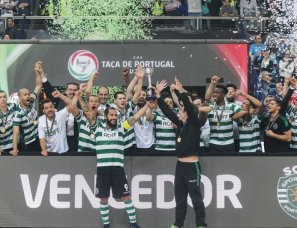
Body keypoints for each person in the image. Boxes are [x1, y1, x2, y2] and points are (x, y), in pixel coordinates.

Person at [85, 100, 151, 228]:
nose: (114, 117)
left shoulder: (122, 127)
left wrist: (148, 105)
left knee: (126, 197)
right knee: (104, 199)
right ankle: (106, 225)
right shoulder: (97, 127)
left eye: (116, 115)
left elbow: (135, 117)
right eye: (111, 115)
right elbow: (88, 113)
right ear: (106, 116)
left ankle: (133, 224)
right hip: (102, 169)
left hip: (118, 169)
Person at [155, 79, 207, 228]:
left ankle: (201, 225)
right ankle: (178, 225)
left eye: (182, 110)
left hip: (192, 166)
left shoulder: (195, 124)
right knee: (180, 200)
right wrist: (158, 95)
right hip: (180, 167)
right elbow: (166, 111)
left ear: (189, 114)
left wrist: (181, 91)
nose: (179, 111)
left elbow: (189, 108)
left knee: (196, 199)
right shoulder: (179, 124)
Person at [11, 61, 43, 156]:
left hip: (37, 139)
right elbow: (16, 133)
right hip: (27, 144)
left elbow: (38, 86)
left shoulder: (32, 100)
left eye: (28, 94)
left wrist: (37, 72)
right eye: (25, 95)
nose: (29, 96)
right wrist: (15, 149)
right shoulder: (18, 114)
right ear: (20, 98)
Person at [205, 75, 241, 152]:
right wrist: (212, 84)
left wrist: (233, 117)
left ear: (224, 95)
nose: (214, 94)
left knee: (229, 164)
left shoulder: (231, 106)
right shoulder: (211, 107)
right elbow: (207, 98)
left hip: (229, 143)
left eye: (217, 93)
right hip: (214, 143)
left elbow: (243, 112)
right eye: (214, 92)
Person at [38, 91, 72, 156]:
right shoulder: (41, 120)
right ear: (43, 111)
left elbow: (71, 104)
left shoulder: (61, 115)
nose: (49, 109)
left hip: (64, 152)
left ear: (54, 107)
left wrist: (60, 95)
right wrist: (44, 150)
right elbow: (42, 138)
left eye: (51, 107)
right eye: (46, 108)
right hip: (50, 153)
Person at [0, 90, 19, 155]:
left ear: (7, 98)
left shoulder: (13, 106)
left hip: (16, 144)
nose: (3, 99)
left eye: (4, 97)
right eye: (0, 97)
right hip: (3, 147)